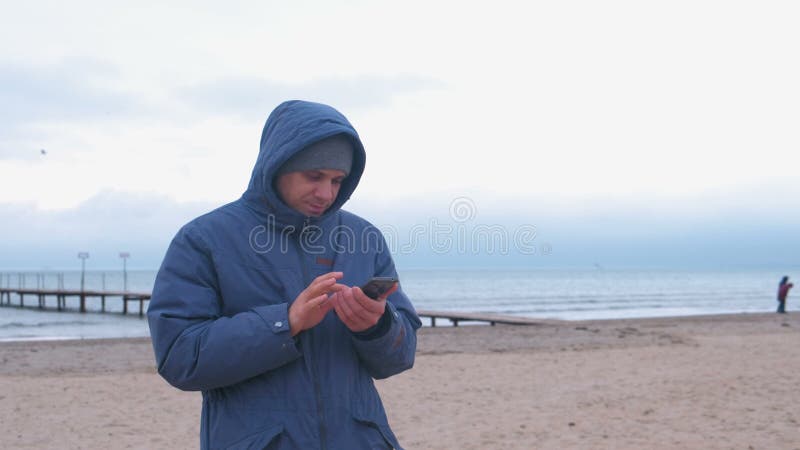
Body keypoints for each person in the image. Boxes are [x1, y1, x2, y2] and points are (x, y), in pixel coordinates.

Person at [147, 100, 421, 450]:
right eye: (314, 176)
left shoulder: (363, 238)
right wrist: (284, 323)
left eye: (338, 180)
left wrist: (378, 327)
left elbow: (401, 356)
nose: (327, 193)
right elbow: (179, 357)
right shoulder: (203, 239)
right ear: (277, 163)